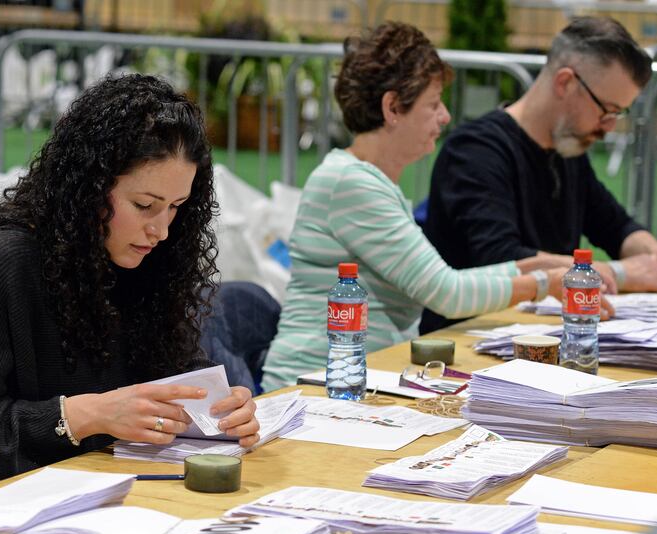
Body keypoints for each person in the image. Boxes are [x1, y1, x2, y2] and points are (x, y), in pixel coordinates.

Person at [0, 74, 260, 481]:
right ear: (90, 187)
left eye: (176, 207)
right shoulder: (4, 265)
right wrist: (84, 416)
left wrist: (223, 406)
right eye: (144, 205)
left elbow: (176, 369)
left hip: (124, 494)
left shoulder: (152, 259)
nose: (162, 230)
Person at [261, 22, 609, 392]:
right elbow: (447, 291)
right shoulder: (351, 183)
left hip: (356, 378)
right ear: (392, 107)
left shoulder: (365, 179)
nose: (444, 116)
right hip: (315, 385)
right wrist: (544, 281)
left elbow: (441, 279)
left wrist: (530, 266)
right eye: (433, 104)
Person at [421, 16, 657, 334]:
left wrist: (653, 257)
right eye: (606, 110)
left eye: (618, 114)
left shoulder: (567, 149)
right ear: (565, 82)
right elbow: (500, 259)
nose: (609, 127)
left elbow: (616, 226)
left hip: (538, 338)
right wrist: (620, 273)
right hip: (471, 341)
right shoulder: (474, 152)